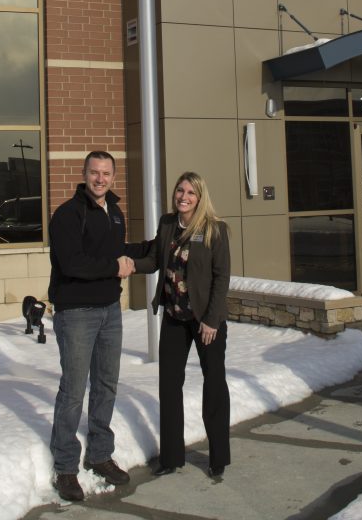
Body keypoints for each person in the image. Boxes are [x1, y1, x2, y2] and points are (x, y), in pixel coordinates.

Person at [48, 150, 138, 503]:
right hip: (77, 313)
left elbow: (117, 254)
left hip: (109, 312)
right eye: (94, 172)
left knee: (106, 384)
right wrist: (114, 268)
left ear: (114, 177)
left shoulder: (115, 213)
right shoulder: (68, 215)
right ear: (84, 174)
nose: (100, 179)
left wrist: (149, 254)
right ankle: (66, 467)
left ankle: (100, 454)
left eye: (106, 173)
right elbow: (73, 263)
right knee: (73, 390)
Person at [134, 171, 231, 478]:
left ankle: (218, 458)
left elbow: (221, 278)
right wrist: (127, 263)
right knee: (169, 385)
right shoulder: (167, 224)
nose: (183, 197)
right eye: (180, 191)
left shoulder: (215, 230)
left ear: (200, 198)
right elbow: (154, 261)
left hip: (205, 321)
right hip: (175, 317)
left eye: (190, 193)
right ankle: (171, 457)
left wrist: (212, 320)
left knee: (214, 385)